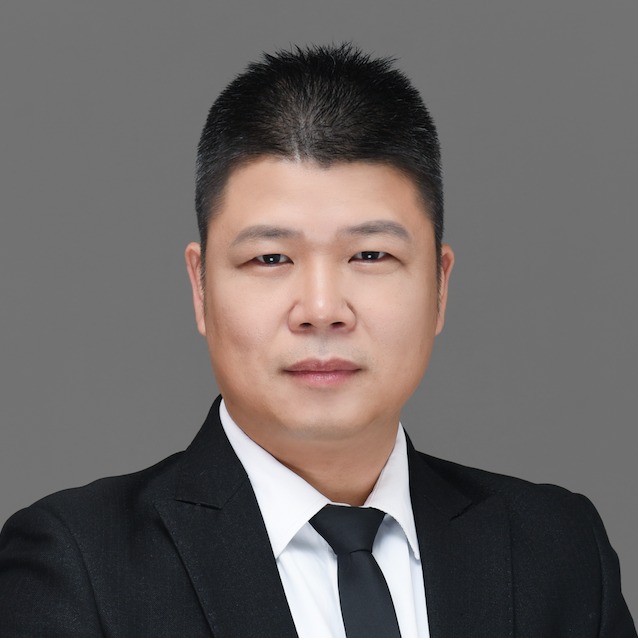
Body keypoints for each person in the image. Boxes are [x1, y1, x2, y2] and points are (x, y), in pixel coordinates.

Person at [0, 43, 635, 638]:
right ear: (200, 287)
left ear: (440, 286)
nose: (323, 311)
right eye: (271, 259)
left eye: (371, 254)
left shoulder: (559, 550)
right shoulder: (77, 566)